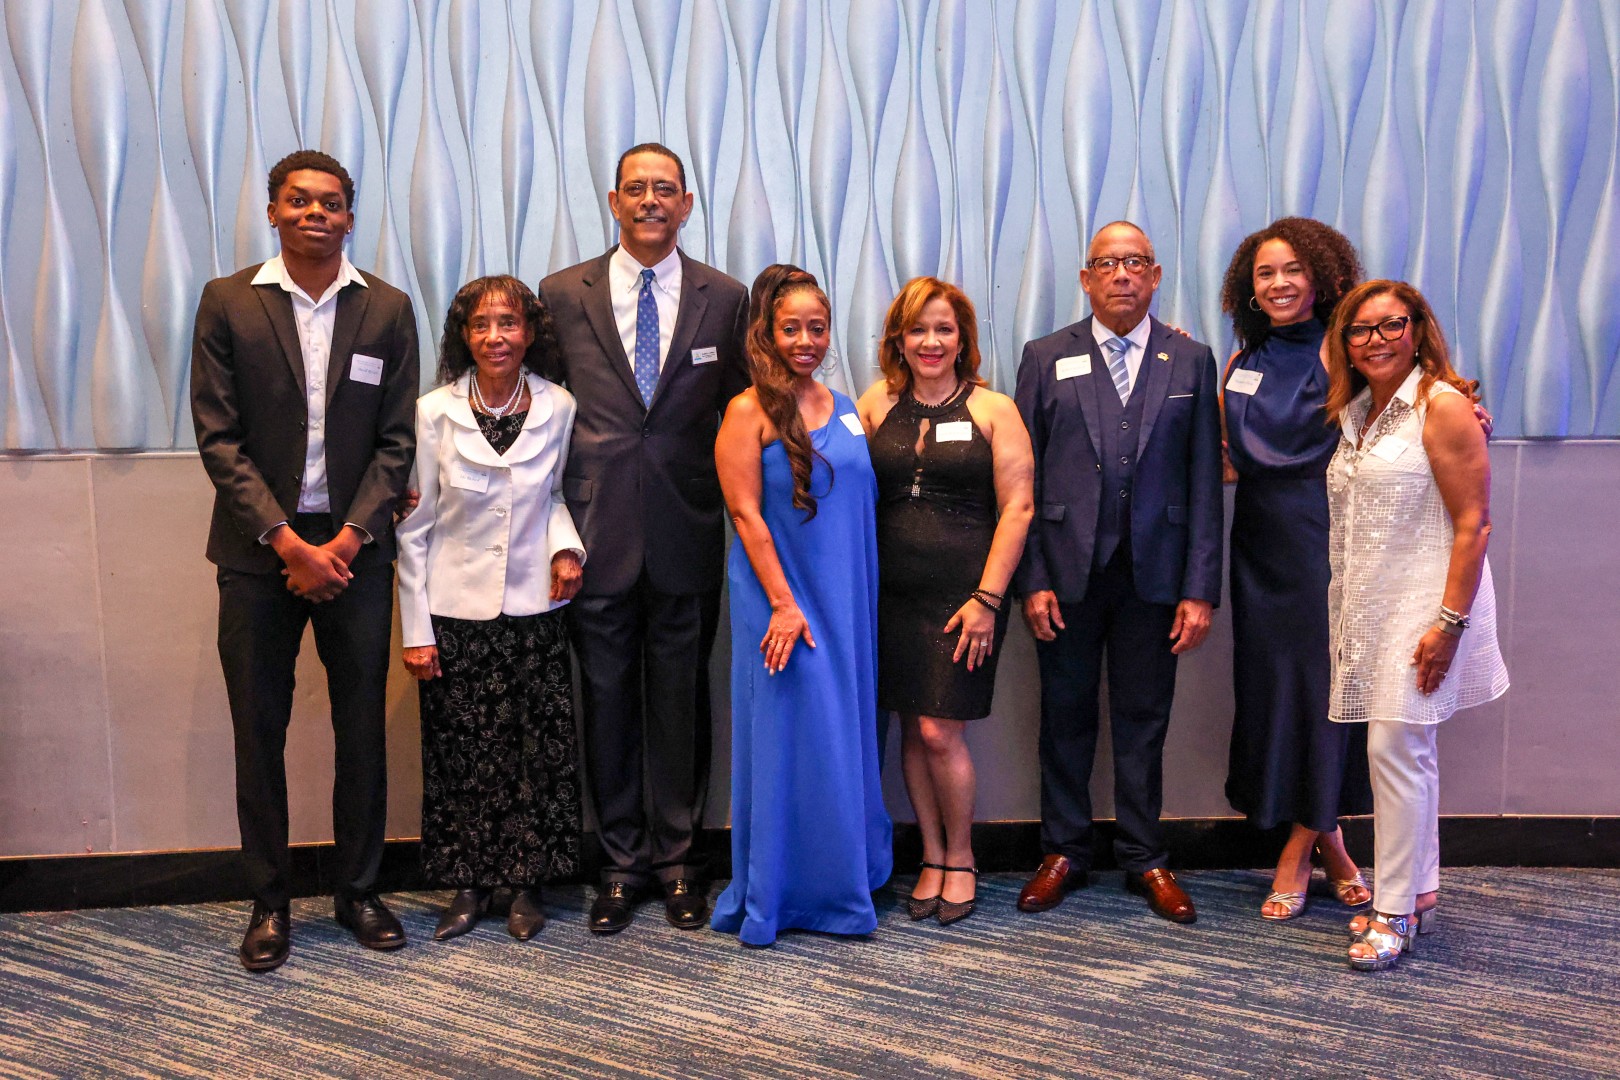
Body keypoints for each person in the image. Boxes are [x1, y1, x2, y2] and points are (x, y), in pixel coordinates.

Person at [191, 150, 418, 971]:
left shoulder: (387, 308)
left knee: (361, 729)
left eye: (330, 202)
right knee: (259, 731)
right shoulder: (228, 301)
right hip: (260, 554)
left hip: (356, 552)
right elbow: (218, 437)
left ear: (350, 216)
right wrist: (288, 543)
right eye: (298, 200)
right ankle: (269, 902)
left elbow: (397, 441)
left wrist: (346, 540)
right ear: (273, 211)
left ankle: (358, 891)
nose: (315, 213)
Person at [537, 143, 750, 934]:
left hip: (688, 529)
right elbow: (542, 414)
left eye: (665, 189)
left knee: (681, 702)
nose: (651, 200)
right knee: (606, 701)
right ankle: (621, 865)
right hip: (592, 536)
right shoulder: (563, 295)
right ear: (613, 201)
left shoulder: (725, 298)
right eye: (636, 188)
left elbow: (740, 415)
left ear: (687, 204)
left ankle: (679, 861)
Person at [1012, 221, 1223, 924]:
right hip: (1065, 576)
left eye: (1136, 262)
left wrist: (1200, 588)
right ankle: (1063, 851)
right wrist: (1032, 578)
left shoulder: (1190, 360)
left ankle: (1144, 855)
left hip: (1154, 578)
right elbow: (1022, 480)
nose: (1122, 274)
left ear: (1155, 276)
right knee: (1064, 717)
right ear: (1086, 279)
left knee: (1143, 720)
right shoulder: (1045, 357)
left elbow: (1203, 482)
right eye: (1107, 263)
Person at [1323, 280, 1508, 971]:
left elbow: (1475, 522)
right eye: (1360, 329)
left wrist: (1449, 624)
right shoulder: (1358, 411)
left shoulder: (1443, 405)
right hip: (1375, 605)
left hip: (1428, 608)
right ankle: (1420, 892)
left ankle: (1394, 910)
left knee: (1394, 751)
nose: (1375, 339)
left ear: (1418, 329)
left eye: (1391, 325)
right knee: (1408, 753)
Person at [395, 276, 585, 942]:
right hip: (455, 611)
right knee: (463, 753)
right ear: (464, 336)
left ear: (530, 332)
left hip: (535, 607)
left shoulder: (559, 405)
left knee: (536, 754)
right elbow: (414, 526)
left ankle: (527, 885)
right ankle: (469, 884)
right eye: (480, 324)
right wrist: (415, 630)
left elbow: (555, 495)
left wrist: (567, 550)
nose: (495, 336)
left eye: (508, 323)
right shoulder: (433, 412)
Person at [710, 265, 892, 947]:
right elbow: (745, 514)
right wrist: (785, 606)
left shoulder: (845, 405)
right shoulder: (747, 410)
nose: (807, 340)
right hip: (779, 600)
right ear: (768, 332)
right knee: (792, 738)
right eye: (792, 328)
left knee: (841, 738)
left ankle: (842, 884)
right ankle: (780, 894)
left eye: (818, 327)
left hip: (845, 599)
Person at [856, 277, 1033, 926]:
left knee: (940, 730)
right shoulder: (875, 403)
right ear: (899, 340)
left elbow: (1019, 508)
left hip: (966, 598)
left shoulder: (994, 409)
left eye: (944, 329)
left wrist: (988, 599)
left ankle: (961, 857)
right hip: (890, 596)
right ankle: (930, 855)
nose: (931, 341)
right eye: (918, 329)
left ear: (963, 339)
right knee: (911, 726)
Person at [1216, 219, 1374, 921]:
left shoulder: (1350, 349)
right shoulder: (1241, 360)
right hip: (1259, 544)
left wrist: (1468, 409)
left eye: (1292, 270)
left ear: (1322, 276)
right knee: (1274, 694)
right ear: (1249, 288)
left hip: (1325, 541)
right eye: (1265, 273)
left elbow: (1410, 413)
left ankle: (1297, 850)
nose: (1278, 283)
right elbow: (1229, 455)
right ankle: (1332, 845)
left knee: (1324, 692)